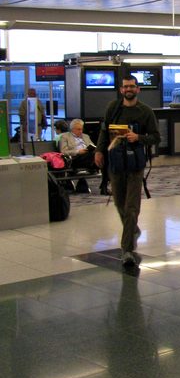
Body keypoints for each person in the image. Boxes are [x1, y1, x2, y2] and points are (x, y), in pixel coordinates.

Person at [95, 75, 160, 269]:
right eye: (125, 87)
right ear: (121, 90)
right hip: (115, 164)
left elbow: (156, 137)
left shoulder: (145, 112)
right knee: (119, 204)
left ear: (137, 89)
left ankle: (127, 250)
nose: (128, 89)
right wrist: (99, 150)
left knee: (132, 207)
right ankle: (133, 230)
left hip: (135, 164)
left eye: (132, 86)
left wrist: (138, 137)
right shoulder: (113, 108)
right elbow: (104, 131)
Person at [59, 119, 97, 192]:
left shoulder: (86, 136)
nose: (81, 131)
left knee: (98, 153)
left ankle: (95, 168)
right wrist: (78, 152)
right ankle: (94, 167)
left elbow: (93, 146)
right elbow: (63, 152)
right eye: (78, 129)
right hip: (75, 158)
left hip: (87, 155)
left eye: (82, 129)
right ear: (72, 129)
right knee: (93, 156)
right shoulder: (65, 137)